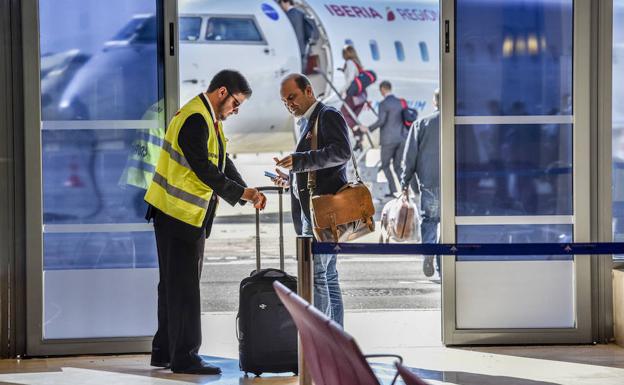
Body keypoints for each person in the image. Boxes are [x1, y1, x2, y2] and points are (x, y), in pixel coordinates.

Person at [143, 70, 267, 374]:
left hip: (177, 214)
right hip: (179, 214)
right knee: (184, 289)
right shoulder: (196, 118)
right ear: (222, 92)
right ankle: (184, 357)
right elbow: (203, 169)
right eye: (236, 103)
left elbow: (222, 161)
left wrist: (246, 192)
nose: (236, 111)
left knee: (172, 286)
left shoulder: (206, 117)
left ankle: (164, 351)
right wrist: (241, 192)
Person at [272, 73, 351, 326]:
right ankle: (336, 338)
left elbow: (342, 152)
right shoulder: (307, 122)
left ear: (308, 91)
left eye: (292, 97)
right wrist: (290, 180)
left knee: (319, 277)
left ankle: (320, 341)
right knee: (327, 276)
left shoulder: (328, 115)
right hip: (313, 211)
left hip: (324, 211)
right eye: (285, 101)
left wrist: (300, 161)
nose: (289, 104)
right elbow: (314, 169)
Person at [401, 89, 440, 278]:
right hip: (456, 185)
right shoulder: (458, 123)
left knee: (430, 220)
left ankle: (428, 253)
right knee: (451, 225)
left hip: (430, 182)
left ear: (434, 102)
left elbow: (410, 157)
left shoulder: (421, 124)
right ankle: (443, 263)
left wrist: (404, 182)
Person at [359, 81, 408, 198]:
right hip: (401, 139)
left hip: (388, 140)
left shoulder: (383, 104)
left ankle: (393, 190)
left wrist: (368, 128)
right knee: (398, 166)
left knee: (385, 165)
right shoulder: (400, 102)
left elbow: (381, 121)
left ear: (383, 90)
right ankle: (405, 190)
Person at [339, 45, 368, 150]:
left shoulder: (349, 63)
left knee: (343, 114)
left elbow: (350, 79)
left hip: (353, 95)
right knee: (352, 118)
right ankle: (358, 140)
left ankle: (359, 131)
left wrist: (342, 90)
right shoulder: (357, 63)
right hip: (362, 96)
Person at [278, 0, 317, 71]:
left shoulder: (286, 16)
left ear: (285, 2)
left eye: (280, 3)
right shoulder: (301, 13)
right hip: (303, 51)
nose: (280, 6)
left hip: (292, 52)